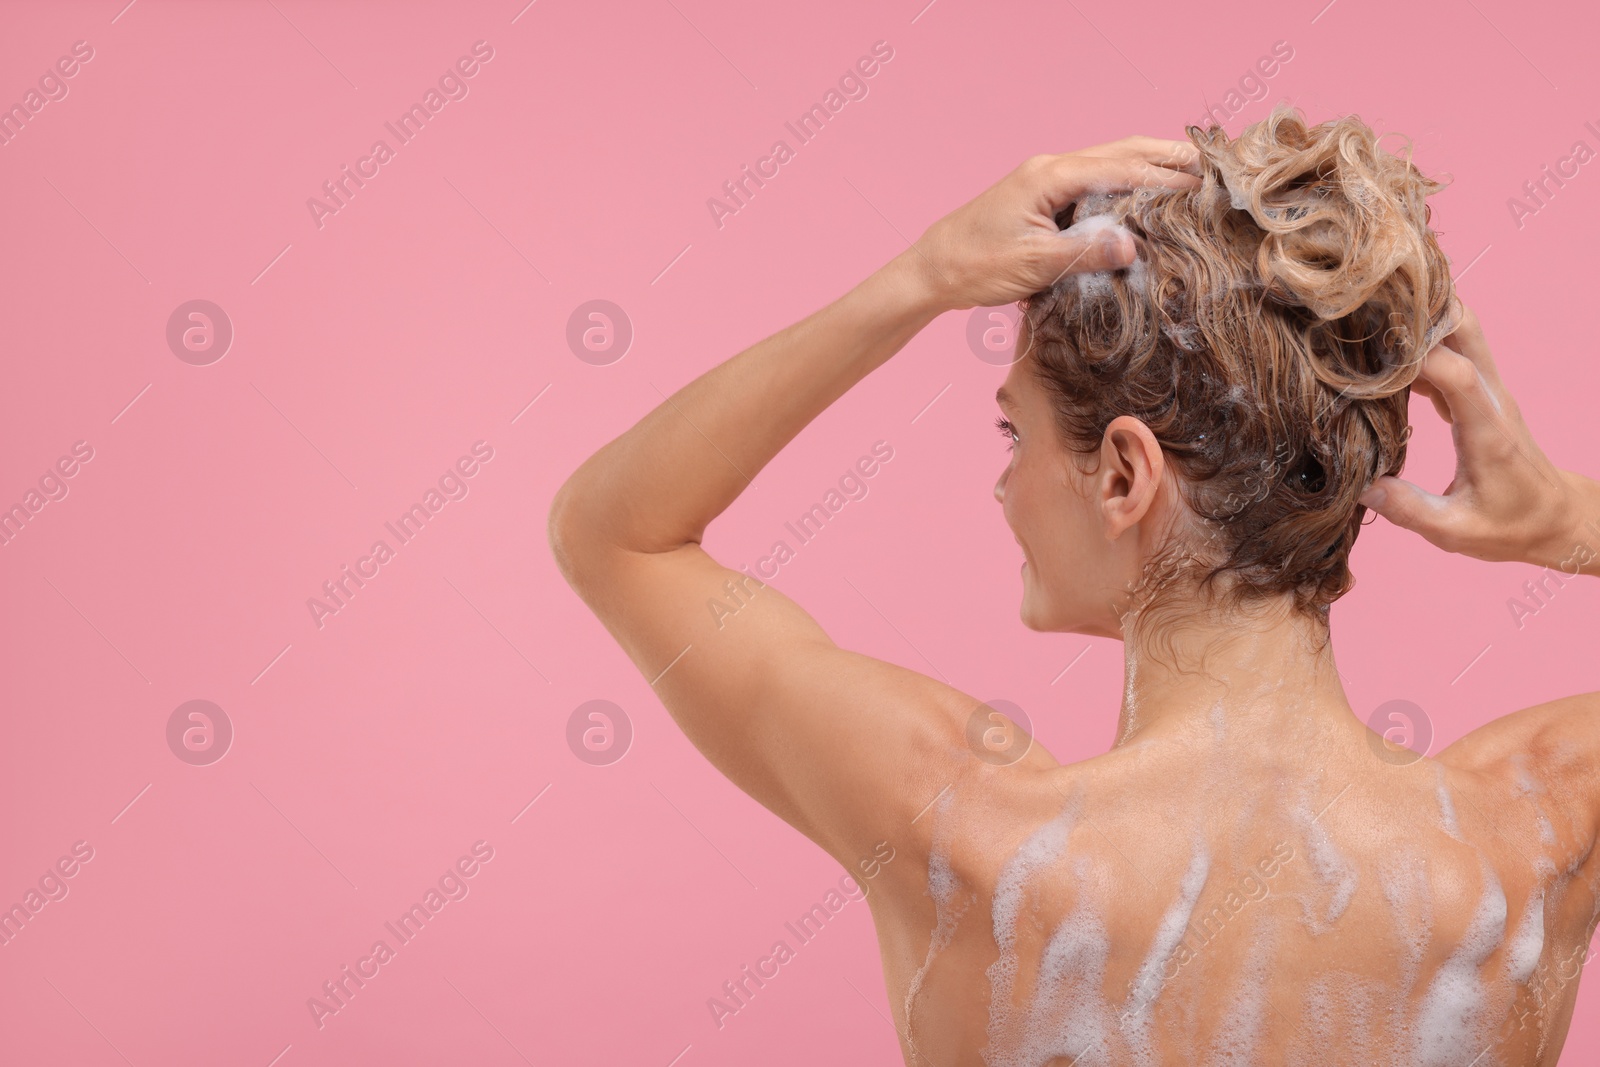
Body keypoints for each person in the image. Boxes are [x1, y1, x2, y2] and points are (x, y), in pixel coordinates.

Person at [548, 106, 1600, 1064]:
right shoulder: (1531, 829)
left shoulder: (968, 833)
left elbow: (617, 534)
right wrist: (1562, 519)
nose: (1004, 486)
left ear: (1124, 472)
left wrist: (917, 279)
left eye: (1018, 432)